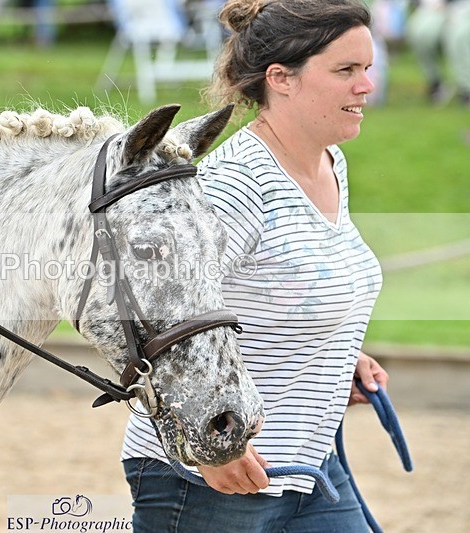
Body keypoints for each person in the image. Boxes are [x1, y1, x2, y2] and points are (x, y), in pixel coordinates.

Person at [121, 0, 391, 531]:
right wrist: (209, 450)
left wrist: (338, 352)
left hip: (312, 470)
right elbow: (149, 315)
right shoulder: (237, 185)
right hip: (209, 480)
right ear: (280, 78)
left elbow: (280, 287)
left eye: (367, 69)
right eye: (346, 71)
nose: (367, 87)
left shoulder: (329, 162)